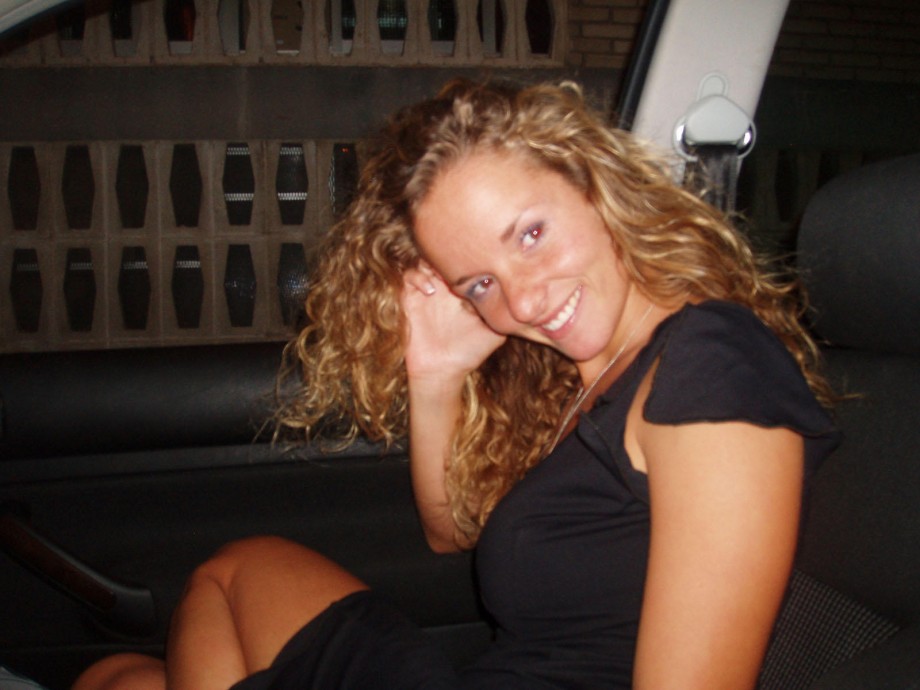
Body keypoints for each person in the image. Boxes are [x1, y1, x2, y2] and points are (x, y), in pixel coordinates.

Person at [73, 79, 839, 690]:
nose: (524, 302)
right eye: (480, 283)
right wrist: (435, 374)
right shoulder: (583, 377)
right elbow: (453, 534)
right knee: (172, 627)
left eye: (530, 234)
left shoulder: (712, 365)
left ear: (597, 184)